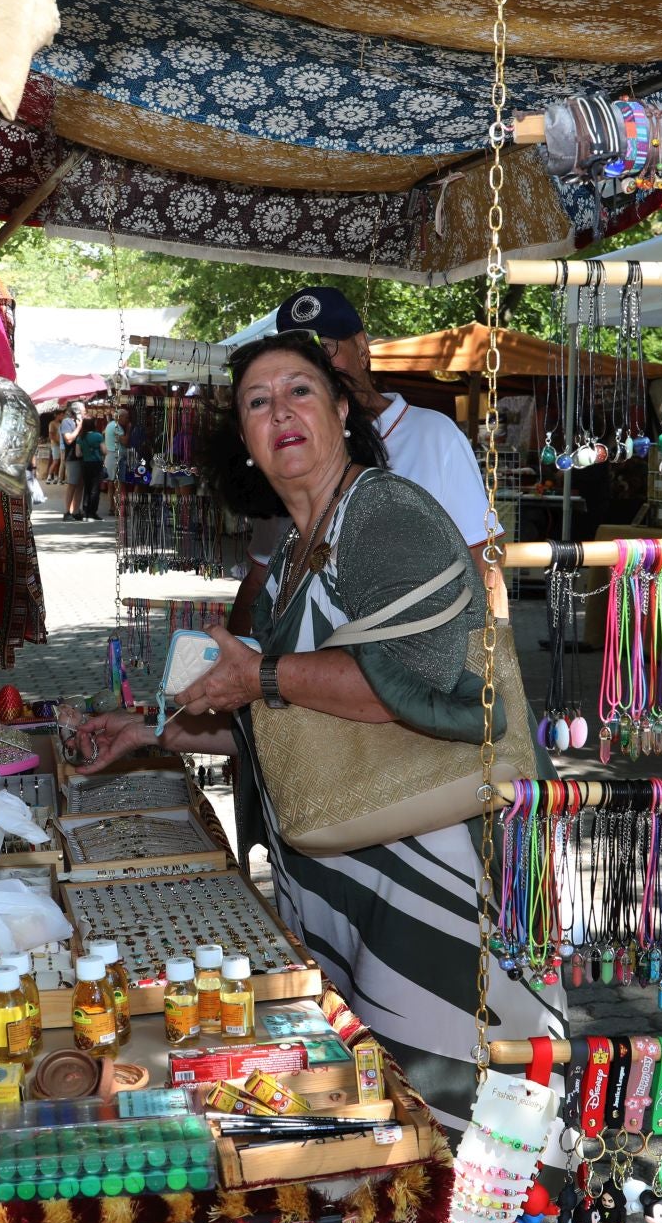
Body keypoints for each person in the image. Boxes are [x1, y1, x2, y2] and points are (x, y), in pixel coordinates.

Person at [75, 331, 553, 1132]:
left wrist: (258, 675)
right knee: (388, 1108)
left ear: (341, 407)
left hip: (433, 868)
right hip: (348, 870)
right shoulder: (298, 547)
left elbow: (426, 681)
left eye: (301, 390)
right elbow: (287, 728)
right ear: (246, 443)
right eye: (257, 403)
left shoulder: (386, 514)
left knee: (454, 1110)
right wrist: (149, 733)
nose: (280, 412)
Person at [227, 287, 504, 634]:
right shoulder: (291, 453)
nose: (318, 365)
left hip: (412, 662)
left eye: (326, 348)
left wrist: (487, 658)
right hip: (303, 668)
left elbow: (483, 559)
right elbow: (260, 576)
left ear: (361, 348)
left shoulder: (434, 435)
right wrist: (232, 658)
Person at [60, 400, 87, 520]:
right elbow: (69, 439)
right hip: (72, 457)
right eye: (83, 411)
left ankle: (76, 511)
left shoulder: (79, 422)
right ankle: (67, 512)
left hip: (82, 457)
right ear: (77, 412)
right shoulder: (66, 422)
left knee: (80, 484)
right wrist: (79, 427)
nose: (84, 413)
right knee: (72, 484)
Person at [78, 417, 107, 520]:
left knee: (87, 487)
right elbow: (104, 451)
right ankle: (92, 512)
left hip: (85, 464)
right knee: (95, 488)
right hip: (96, 464)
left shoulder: (80, 437)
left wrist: (86, 452)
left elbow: (78, 454)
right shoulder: (98, 436)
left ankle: (85, 510)